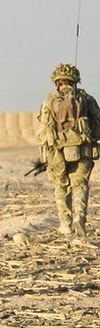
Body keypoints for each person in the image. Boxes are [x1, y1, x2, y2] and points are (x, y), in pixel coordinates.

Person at [37, 63, 100, 237]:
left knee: (61, 186)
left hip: (57, 152)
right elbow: (97, 126)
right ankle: (79, 219)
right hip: (84, 150)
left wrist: (43, 153)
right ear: (75, 81)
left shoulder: (49, 100)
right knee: (79, 185)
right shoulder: (86, 99)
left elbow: (43, 130)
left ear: (57, 82)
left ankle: (65, 224)